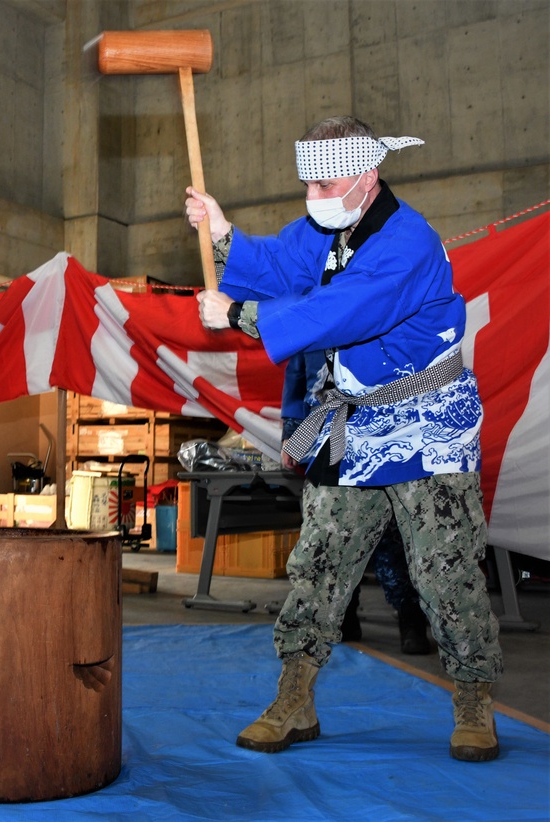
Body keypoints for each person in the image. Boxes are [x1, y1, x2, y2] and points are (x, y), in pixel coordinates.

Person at [185, 115, 502, 762]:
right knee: (319, 561)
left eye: (324, 184)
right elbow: (281, 263)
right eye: (307, 184)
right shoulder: (326, 230)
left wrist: (240, 314)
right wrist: (221, 232)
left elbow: (342, 310)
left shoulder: (406, 241)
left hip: (427, 421)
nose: (313, 197)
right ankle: (294, 696)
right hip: (349, 422)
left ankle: (474, 698)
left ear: (366, 176)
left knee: (444, 568)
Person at [282, 351, 431, 655]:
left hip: (381, 433)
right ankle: (344, 615)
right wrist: (291, 432)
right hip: (325, 435)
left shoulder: (375, 310)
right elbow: (296, 378)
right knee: (330, 532)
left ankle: (410, 617)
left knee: (391, 533)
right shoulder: (309, 318)